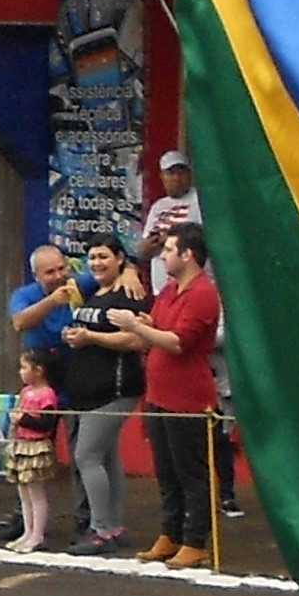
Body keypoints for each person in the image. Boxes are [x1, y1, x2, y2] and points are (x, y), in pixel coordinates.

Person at [109, 223, 222, 571]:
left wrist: (136, 325)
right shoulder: (170, 291)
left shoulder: (203, 293)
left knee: (191, 473)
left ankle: (195, 540)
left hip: (188, 397)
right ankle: (171, 533)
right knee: (167, 472)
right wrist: (142, 324)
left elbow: (177, 342)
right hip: (159, 393)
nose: (163, 256)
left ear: (188, 254)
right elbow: (156, 331)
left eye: (169, 250)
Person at [60, 233, 144, 554]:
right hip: (87, 391)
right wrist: (75, 336)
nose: (96, 263)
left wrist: (90, 337)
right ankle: (114, 527)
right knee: (106, 458)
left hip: (116, 389)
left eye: (103, 256)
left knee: (86, 455)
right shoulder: (95, 291)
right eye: (92, 257)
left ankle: (101, 530)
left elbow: (135, 339)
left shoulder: (128, 291)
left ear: (120, 258)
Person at [4, 347, 63, 551]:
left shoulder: (47, 395)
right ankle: (27, 531)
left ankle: (38, 534)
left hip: (36, 446)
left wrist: (24, 419)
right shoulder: (25, 392)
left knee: (35, 492)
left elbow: (47, 423)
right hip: (22, 444)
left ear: (38, 370)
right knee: (23, 492)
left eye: (24, 367)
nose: (20, 372)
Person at [134, 150, 201, 293]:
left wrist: (167, 239)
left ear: (189, 174)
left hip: (191, 287)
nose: (176, 178)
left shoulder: (200, 200)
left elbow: (199, 238)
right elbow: (143, 250)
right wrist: (150, 245)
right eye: (171, 173)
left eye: (181, 172)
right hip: (162, 289)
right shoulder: (158, 206)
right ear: (162, 176)